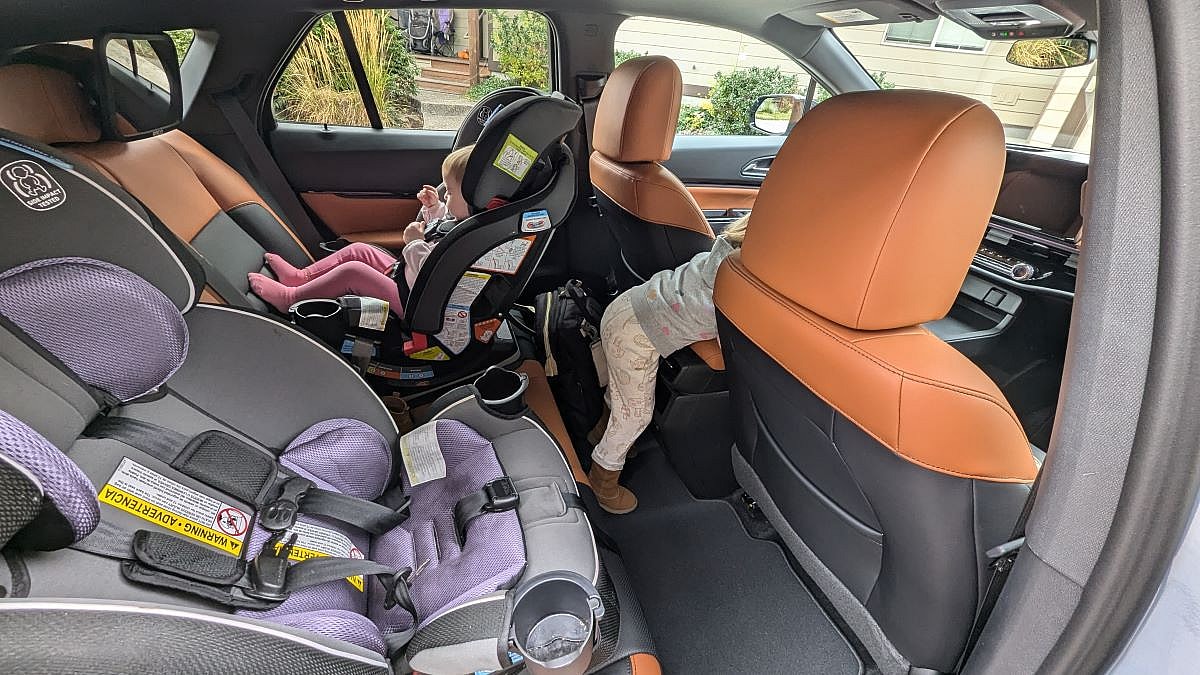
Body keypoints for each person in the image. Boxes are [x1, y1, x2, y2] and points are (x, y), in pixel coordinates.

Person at [588, 214, 750, 514]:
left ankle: (600, 432)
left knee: (622, 395)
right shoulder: (742, 282)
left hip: (626, 308)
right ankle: (602, 480)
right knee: (635, 415)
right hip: (636, 336)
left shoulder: (725, 249)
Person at [247, 144, 475, 314]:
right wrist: (434, 208)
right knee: (359, 250)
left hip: (414, 302)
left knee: (353, 272)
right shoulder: (466, 221)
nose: (446, 195)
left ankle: (290, 298)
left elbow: (433, 274)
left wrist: (415, 243)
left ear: (475, 198)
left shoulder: (472, 241)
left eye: (452, 192)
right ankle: (301, 277)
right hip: (406, 277)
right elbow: (443, 227)